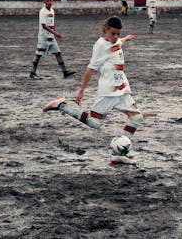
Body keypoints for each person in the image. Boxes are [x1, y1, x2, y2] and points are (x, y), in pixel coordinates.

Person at [43, 16, 143, 164]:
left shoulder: (115, 41)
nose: (116, 37)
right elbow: (91, 69)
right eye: (113, 33)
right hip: (108, 92)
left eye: (118, 34)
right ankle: (61, 105)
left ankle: (119, 153)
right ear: (105, 30)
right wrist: (82, 90)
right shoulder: (100, 45)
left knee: (136, 118)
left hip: (122, 89)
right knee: (95, 123)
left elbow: (118, 43)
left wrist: (125, 39)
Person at [29, 0, 76, 80]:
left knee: (58, 53)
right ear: (44, 2)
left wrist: (53, 33)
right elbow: (44, 26)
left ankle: (65, 71)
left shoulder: (52, 11)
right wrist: (55, 33)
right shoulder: (42, 11)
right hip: (43, 37)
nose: (49, 2)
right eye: (48, 1)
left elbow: (52, 24)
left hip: (51, 37)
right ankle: (32, 72)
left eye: (51, 1)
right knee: (39, 54)